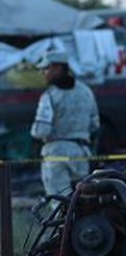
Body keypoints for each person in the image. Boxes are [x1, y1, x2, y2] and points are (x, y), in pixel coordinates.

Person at [30, 49, 100, 196]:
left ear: (58, 68)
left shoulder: (49, 96)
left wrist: (34, 136)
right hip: (82, 154)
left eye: (46, 68)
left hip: (56, 155)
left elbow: (42, 130)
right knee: (84, 201)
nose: (43, 73)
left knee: (58, 203)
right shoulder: (86, 91)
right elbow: (95, 125)